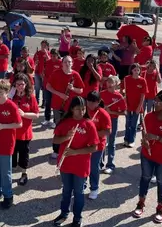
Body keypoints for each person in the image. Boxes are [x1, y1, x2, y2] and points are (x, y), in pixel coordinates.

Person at [129, 89, 162, 224]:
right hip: (147, 155)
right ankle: (140, 204)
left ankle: (160, 208)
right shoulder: (149, 117)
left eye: (158, 101)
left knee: (161, 182)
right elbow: (145, 133)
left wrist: (157, 138)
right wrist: (144, 141)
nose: (155, 103)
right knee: (145, 178)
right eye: (155, 100)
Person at [52, 96, 100, 227]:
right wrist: (67, 136)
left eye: (83, 109)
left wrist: (75, 152)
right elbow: (55, 140)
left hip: (81, 165)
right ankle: (63, 213)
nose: (81, 111)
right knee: (66, 190)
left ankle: (77, 217)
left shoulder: (89, 124)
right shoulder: (65, 122)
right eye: (78, 109)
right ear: (72, 109)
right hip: (65, 163)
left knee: (79, 192)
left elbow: (94, 147)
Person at [0, 79, 22, 209]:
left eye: (0, 92)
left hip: (7, 143)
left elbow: (19, 124)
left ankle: (8, 195)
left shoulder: (11, 106)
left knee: (5, 172)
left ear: (7, 92)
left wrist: (3, 126)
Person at [99, 75, 125, 172]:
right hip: (102, 120)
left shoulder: (119, 97)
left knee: (111, 142)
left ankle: (110, 165)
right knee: (102, 141)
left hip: (113, 120)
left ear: (116, 84)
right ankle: (100, 163)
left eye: (111, 82)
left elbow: (124, 112)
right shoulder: (101, 94)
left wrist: (112, 112)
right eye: (108, 82)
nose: (109, 84)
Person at [122, 63, 147, 148]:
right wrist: (124, 104)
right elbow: (123, 91)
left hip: (137, 106)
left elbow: (143, 95)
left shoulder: (142, 81)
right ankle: (126, 139)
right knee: (127, 123)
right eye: (134, 70)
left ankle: (131, 140)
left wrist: (139, 107)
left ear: (140, 71)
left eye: (138, 70)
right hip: (128, 105)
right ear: (131, 71)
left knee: (133, 124)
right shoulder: (126, 79)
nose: (136, 71)